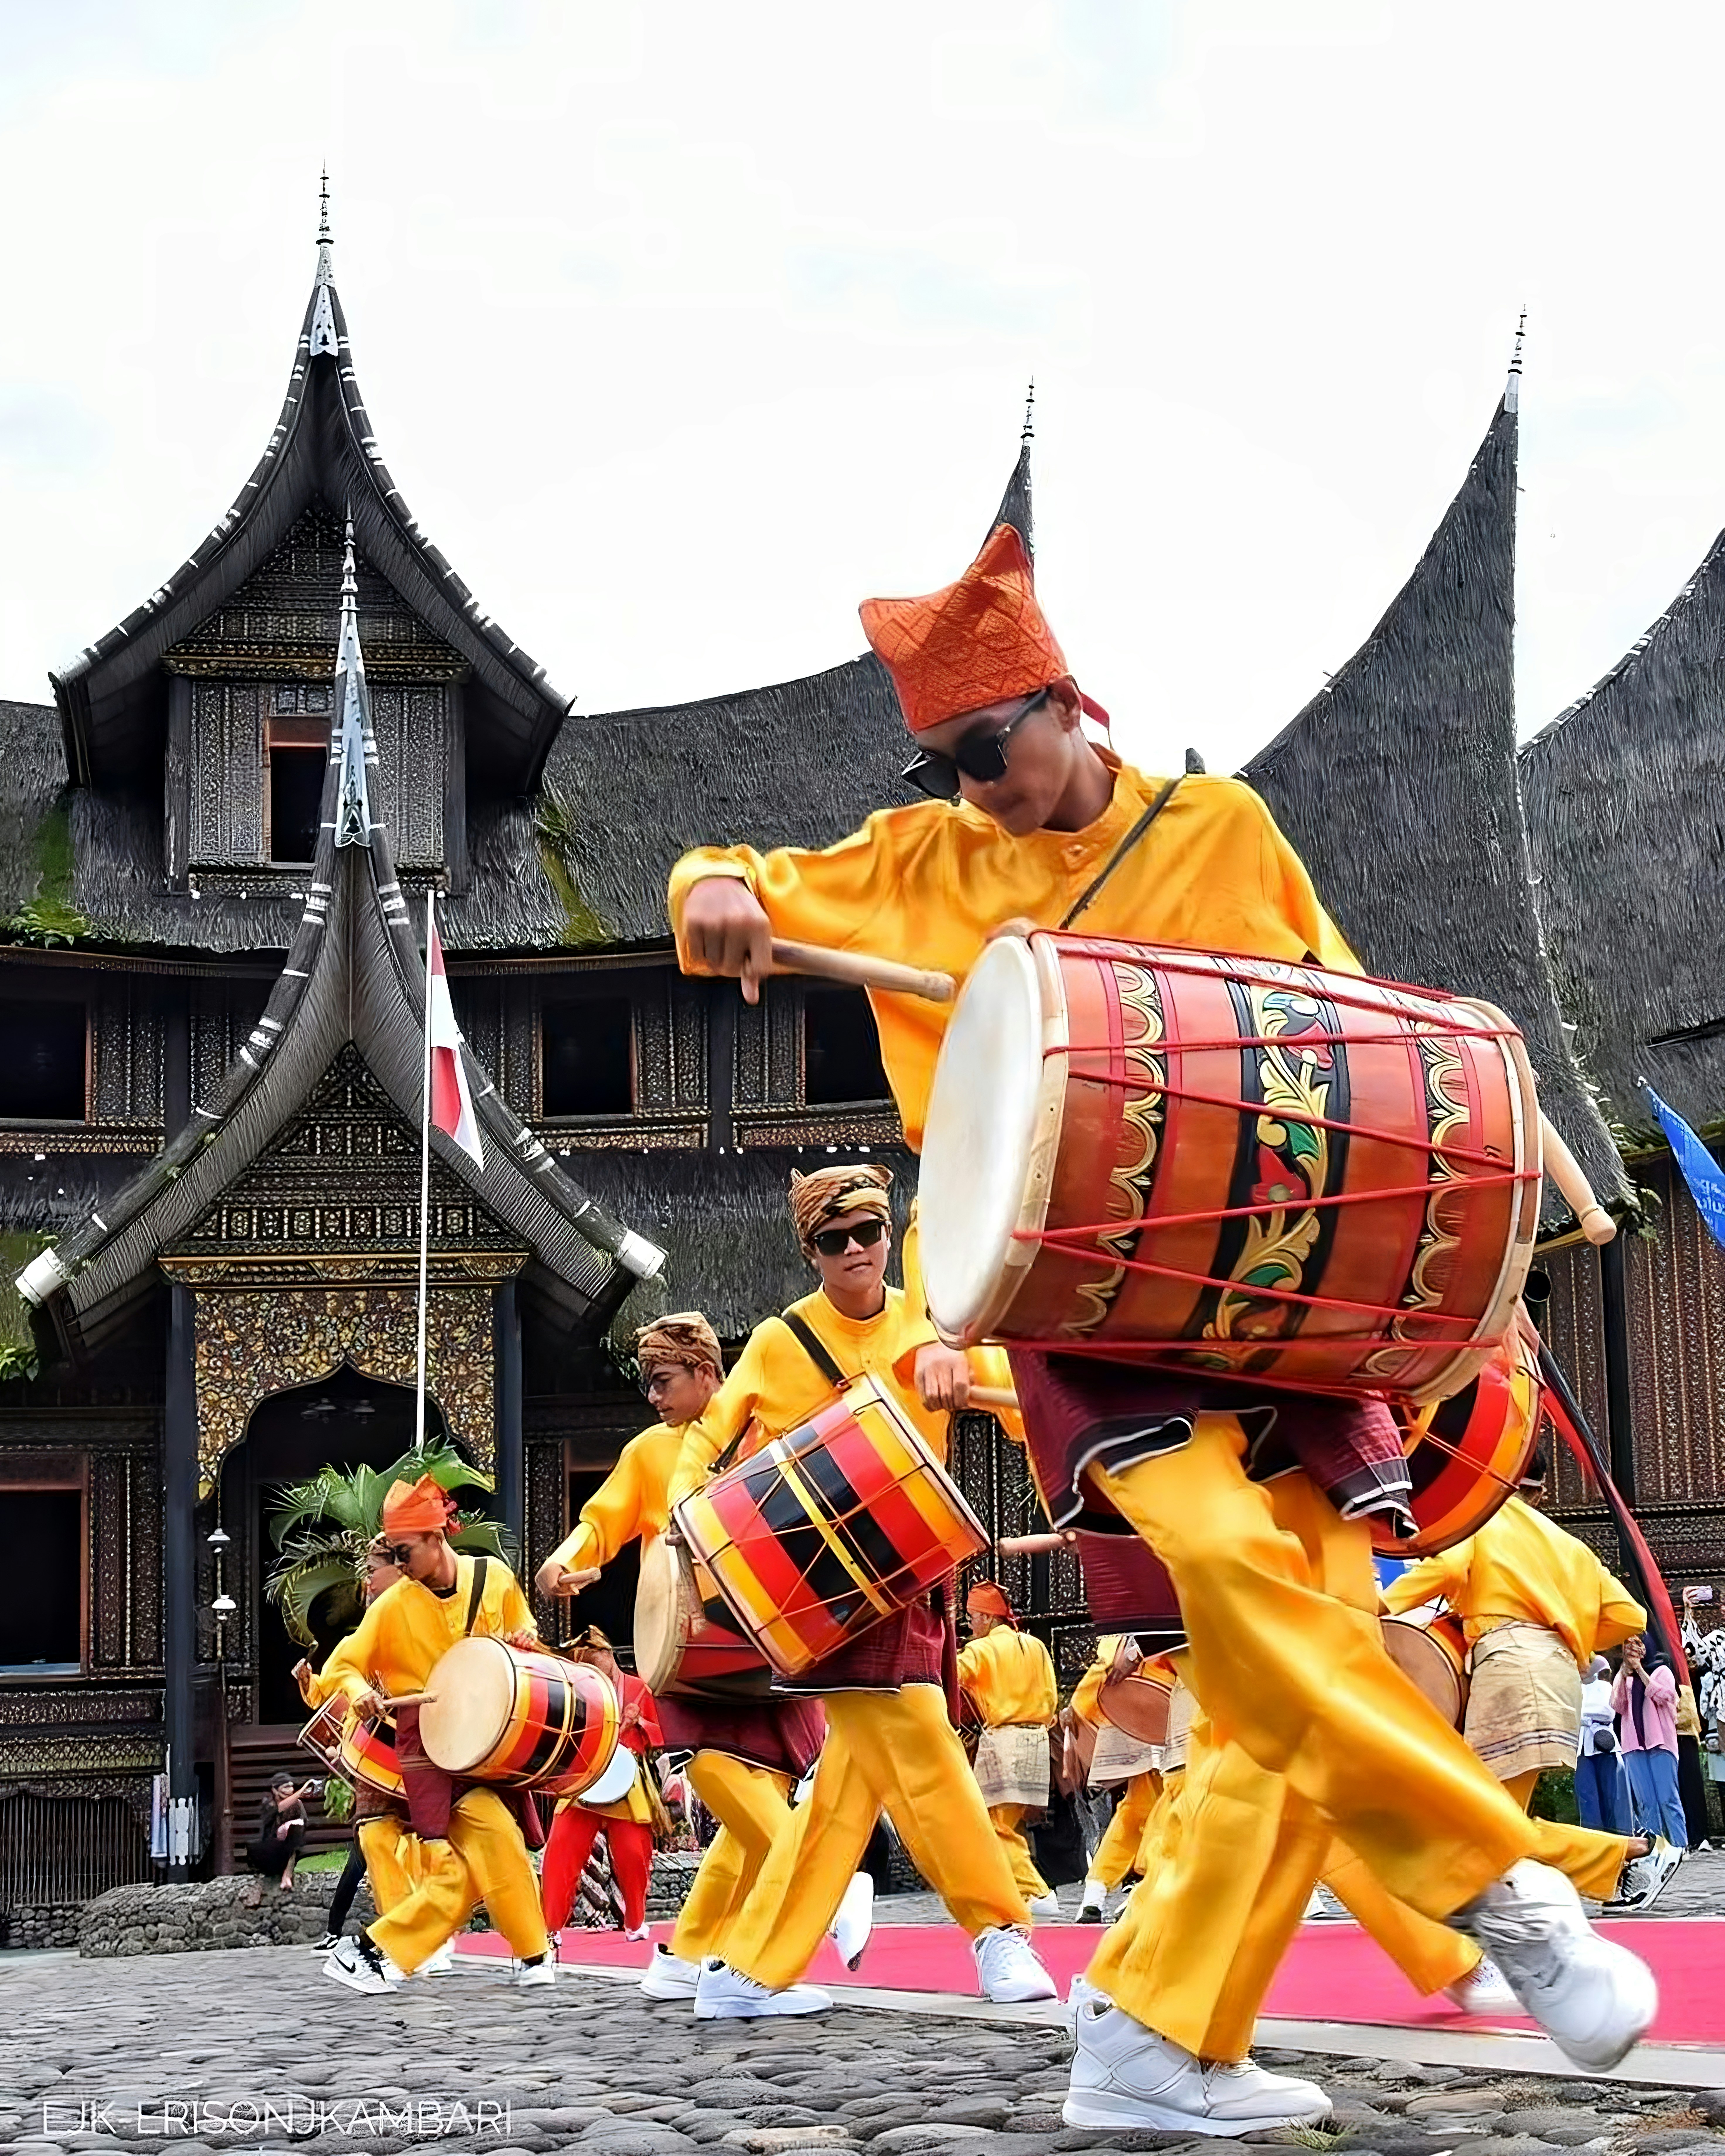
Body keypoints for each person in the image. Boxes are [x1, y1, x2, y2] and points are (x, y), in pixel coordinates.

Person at [669, 522, 1657, 2128]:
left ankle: (1150, 2036)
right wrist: (714, 896)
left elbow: (1351, 1045)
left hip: (1274, 1284)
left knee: (1307, 1645)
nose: (976, 786)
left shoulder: (1220, 828)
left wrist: (1458, 1284)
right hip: (1076, 1293)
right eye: (947, 764)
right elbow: (733, 877)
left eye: (992, 747)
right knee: (1237, 1574)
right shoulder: (924, 868)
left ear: (1071, 702)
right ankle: (1505, 1890)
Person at [668, 1161, 1057, 2018]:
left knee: (847, 1783)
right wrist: (681, 1520)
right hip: (822, 1575)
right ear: (811, 1249)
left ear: (888, 1234)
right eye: (833, 1238)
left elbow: (1023, 1397)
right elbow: (709, 1435)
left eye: (868, 1232)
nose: (855, 1250)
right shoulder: (777, 1339)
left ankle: (744, 1968)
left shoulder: (932, 1320)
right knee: (917, 1732)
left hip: (918, 1565)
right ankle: (996, 1928)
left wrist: (970, 1375)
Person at [533, 1311, 845, 2000]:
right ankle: (817, 1897)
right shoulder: (650, 1451)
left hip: (767, 1634)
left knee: (752, 1805)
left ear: (708, 1373)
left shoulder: (767, 1433)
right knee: (722, 1777)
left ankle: (690, 1954)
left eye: (664, 1379)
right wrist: (565, 1560)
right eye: (647, 1382)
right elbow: (602, 1520)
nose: (652, 1395)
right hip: (685, 1640)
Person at [316, 1472, 555, 1995]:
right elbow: (344, 1663)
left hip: (491, 1739)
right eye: (395, 1557)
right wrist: (358, 1690)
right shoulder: (394, 1606)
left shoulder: (493, 1578)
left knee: (497, 1840)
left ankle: (531, 1954)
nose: (399, 1567)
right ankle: (381, 1951)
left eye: (405, 1553)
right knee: (449, 1844)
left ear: (435, 1536)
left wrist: (525, 1641)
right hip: (429, 1749)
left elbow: (528, 1633)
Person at [297, 1538, 438, 1962]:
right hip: (377, 1754)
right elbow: (333, 1684)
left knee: (430, 1841)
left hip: (428, 1743)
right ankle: (401, 1933)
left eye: (374, 1571)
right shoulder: (361, 1636)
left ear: (402, 1571)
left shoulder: (430, 1618)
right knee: (376, 1838)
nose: (367, 1583)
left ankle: (430, 1930)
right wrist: (310, 1685)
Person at [539, 1626, 663, 1942]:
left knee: (634, 1855)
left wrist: (642, 1722)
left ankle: (635, 1922)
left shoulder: (638, 1689)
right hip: (582, 1776)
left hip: (626, 1778)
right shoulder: (576, 1688)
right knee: (560, 1851)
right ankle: (550, 1926)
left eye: (595, 1664)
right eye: (585, 1667)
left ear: (610, 1656)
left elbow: (659, 1739)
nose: (591, 1672)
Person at [957, 1581, 1061, 1918]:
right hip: (1035, 1737)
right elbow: (1051, 1695)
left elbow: (950, 1677)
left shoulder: (981, 1651)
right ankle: (1015, 1891)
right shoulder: (1036, 1646)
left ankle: (1035, 1891)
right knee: (1006, 1820)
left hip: (1003, 1739)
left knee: (997, 1825)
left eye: (972, 1617)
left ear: (988, 1618)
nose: (969, 1624)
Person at [1069, 1636, 1165, 1924]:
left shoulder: (1120, 1634)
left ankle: (1094, 1895)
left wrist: (1078, 1710)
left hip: (1130, 1723)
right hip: (1167, 1717)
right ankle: (1146, 1889)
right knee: (1170, 1804)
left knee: (1133, 1809)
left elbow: (1104, 1669)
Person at [1614, 1634, 1690, 1849]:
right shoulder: (1626, 1677)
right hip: (1633, 1746)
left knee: (1668, 1799)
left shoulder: (1662, 1671)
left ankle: (1680, 1846)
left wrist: (1639, 1670)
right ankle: (1657, 1850)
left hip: (1661, 1745)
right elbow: (1617, 1705)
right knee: (1646, 1803)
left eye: (1637, 1644)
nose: (1633, 1649)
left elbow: (1666, 1697)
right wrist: (1623, 1672)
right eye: (1628, 1646)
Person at [1577, 1654, 1633, 1838]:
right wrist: (1584, 1717)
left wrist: (1582, 1717)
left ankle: (1618, 1838)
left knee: (1611, 1795)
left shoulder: (1605, 1687)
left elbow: (1607, 1713)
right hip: (1582, 1749)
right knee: (1587, 1796)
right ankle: (1595, 1841)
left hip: (1604, 1747)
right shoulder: (1574, 1688)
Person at [247, 1771, 314, 1890]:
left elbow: (303, 1824)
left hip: (290, 1846)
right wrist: (301, 1792)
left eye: (291, 1786)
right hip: (270, 1849)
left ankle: (287, 1877)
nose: (290, 1790)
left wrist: (290, 1827)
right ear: (275, 1790)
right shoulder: (268, 1802)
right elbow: (280, 1809)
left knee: (295, 1834)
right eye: (286, 1787)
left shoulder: (298, 1804)